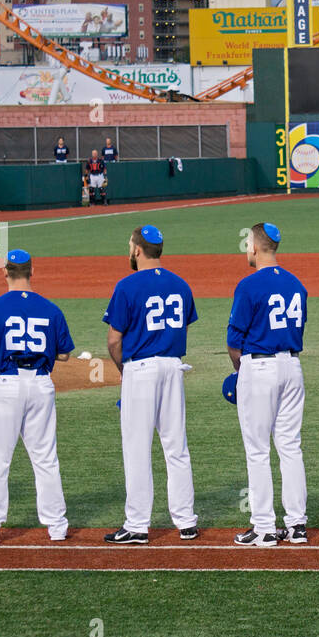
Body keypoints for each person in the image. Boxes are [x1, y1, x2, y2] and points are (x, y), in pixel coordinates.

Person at [0, 249, 75, 545]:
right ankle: (57, 526)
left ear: (5, 272)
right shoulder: (51, 309)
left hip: (6, 385)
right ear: (32, 271)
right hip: (41, 385)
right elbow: (65, 353)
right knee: (45, 458)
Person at [103, 225, 199, 544]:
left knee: (137, 448)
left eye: (130, 245)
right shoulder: (181, 284)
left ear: (137, 250)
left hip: (140, 369)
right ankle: (186, 522)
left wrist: (124, 371)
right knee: (176, 447)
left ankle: (137, 525)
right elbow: (183, 324)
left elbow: (114, 340)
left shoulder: (127, 286)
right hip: (173, 366)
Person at [227, 222, 308, 547]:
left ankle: (263, 528)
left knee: (258, 450)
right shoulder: (296, 283)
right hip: (292, 366)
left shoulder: (248, 285)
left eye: (248, 243)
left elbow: (234, 341)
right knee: (290, 446)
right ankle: (297, 525)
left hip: (259, 367)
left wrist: (239, 373)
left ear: (256, 247)